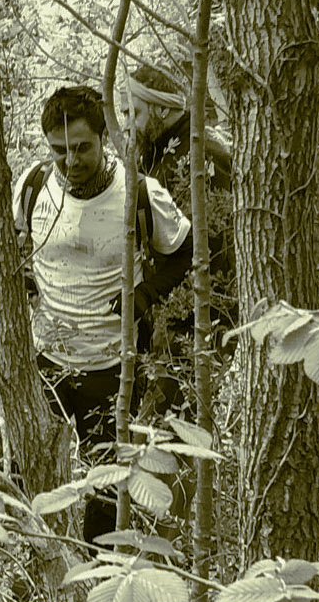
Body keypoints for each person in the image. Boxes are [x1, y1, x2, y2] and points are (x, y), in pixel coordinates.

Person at [16, 84, 193, 539]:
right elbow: (17, 247)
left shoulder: (139, 193)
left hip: (112, 368)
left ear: (103, 138)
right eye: (59, 150)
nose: (70, 161)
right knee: (29, 472)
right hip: (46, 363)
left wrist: (146, 295)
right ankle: (40, 556)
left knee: (106, 486)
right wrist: (29, 285)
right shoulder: (33, 186)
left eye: (81, 148)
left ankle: (97, 566)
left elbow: (183, 251)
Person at [122, 62, 235, 350]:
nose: (127, 124)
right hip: (161, 313)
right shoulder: (150, 153)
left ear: (161, 109)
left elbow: (213, 248)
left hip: (201, 322)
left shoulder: (204, 154)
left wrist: (169, 317)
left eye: (134, 113)